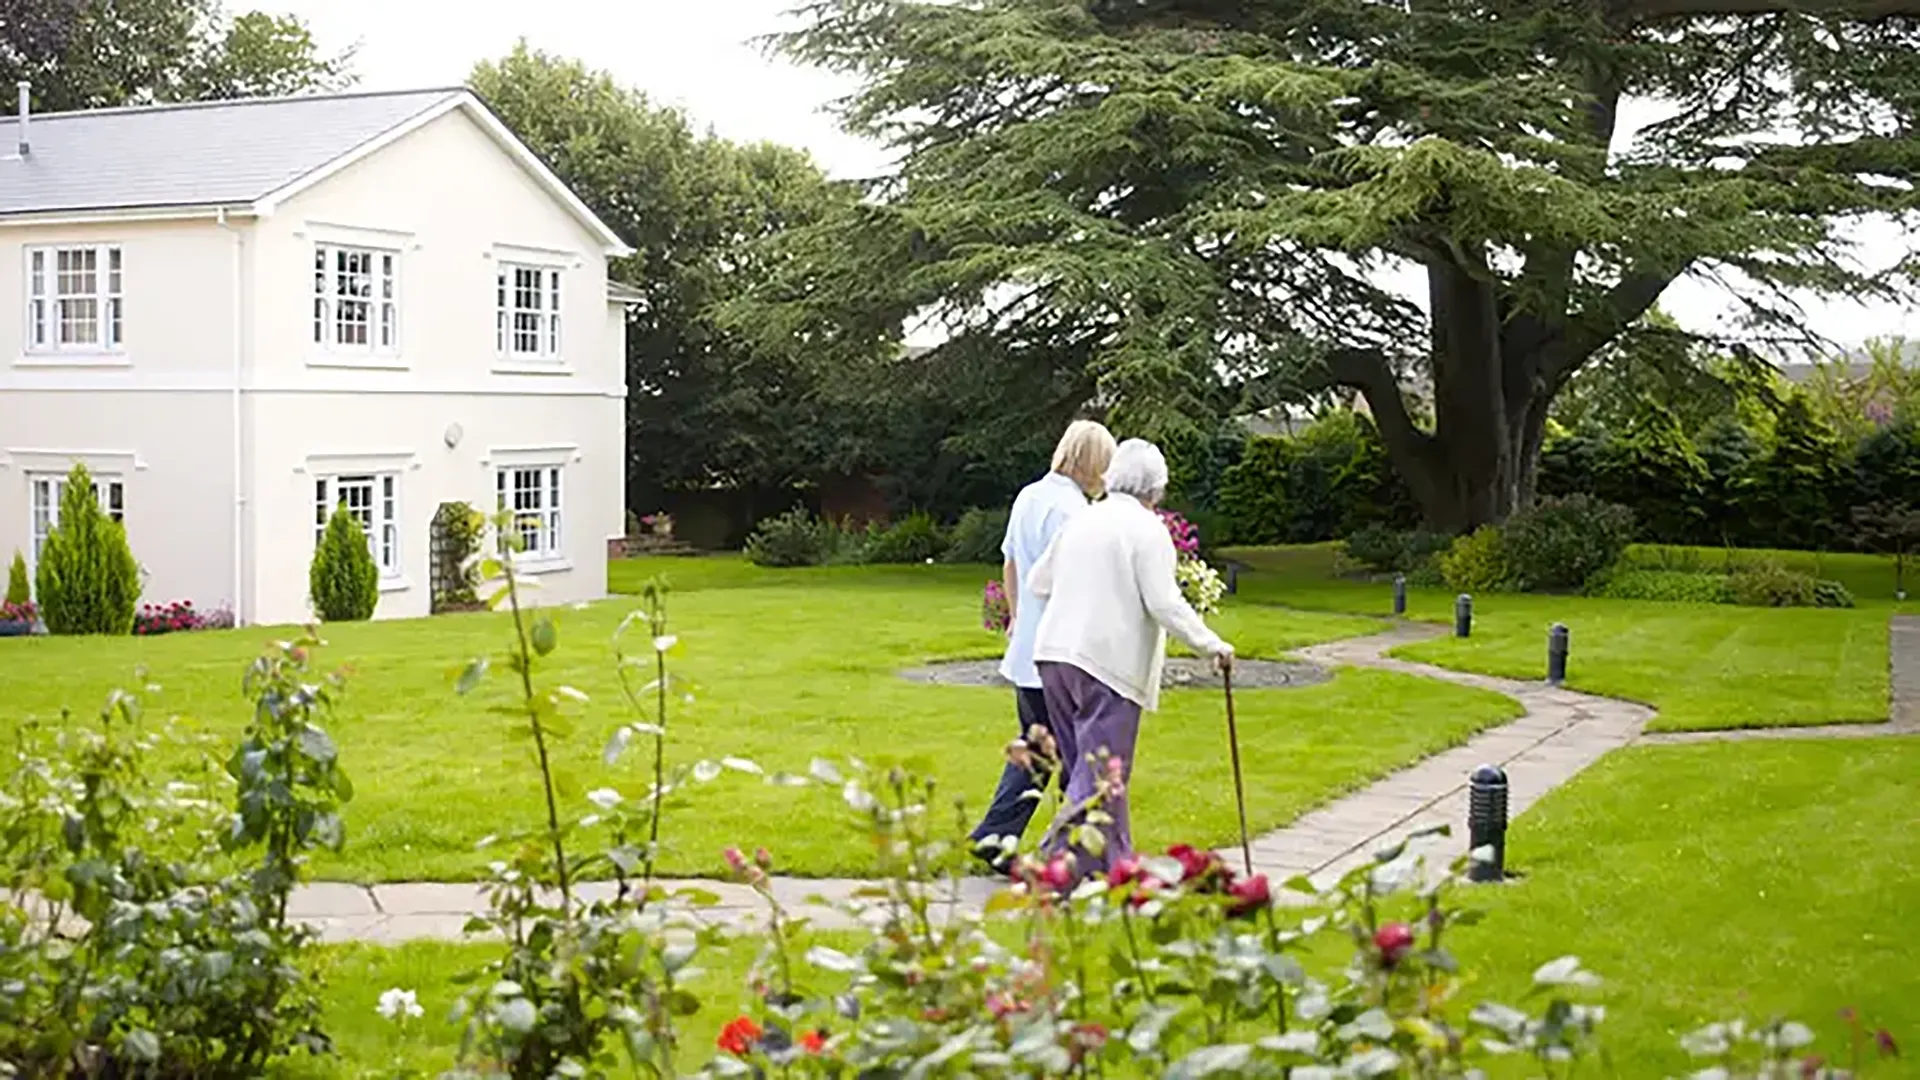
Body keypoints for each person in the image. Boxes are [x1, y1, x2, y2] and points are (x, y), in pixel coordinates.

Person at [1027, 438, 1234, 876]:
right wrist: (1212, 644)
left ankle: (1117, 867)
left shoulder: (1082, 520)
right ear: (1156, 490)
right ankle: (1050, 870)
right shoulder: (1147, 530)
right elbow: (1164, 603)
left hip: (1054, 657)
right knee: (1102, 780)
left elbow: (1038, 582)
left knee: (1092, 775)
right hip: (1105, 666)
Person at [968, 419, 1118, 872]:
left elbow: (1011, 561)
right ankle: (1070, 851)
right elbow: (1074, 584)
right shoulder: (1074, 513)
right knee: (1075, 755)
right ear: (1093, 462)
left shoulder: (1029, 496)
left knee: (1036, 748)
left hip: (1028, 649)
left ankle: (995, 837)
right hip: (1060, 654)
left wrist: (1016, 616)